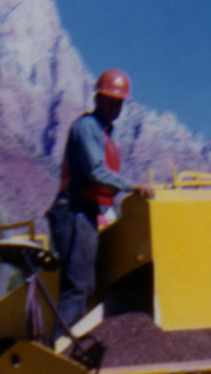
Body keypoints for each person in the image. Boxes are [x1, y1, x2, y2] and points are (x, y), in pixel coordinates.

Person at [47, 70, 154, 332]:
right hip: (74, 213)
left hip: (89, 212)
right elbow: (96, 173)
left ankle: (70, 346)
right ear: (98, 98)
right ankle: (57, 350)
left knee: (88, 288)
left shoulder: (105, 133)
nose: (116, 106)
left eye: (119, 102)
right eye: (111, 100)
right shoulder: (86, 128)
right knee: (78, 289)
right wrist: (133, 186)